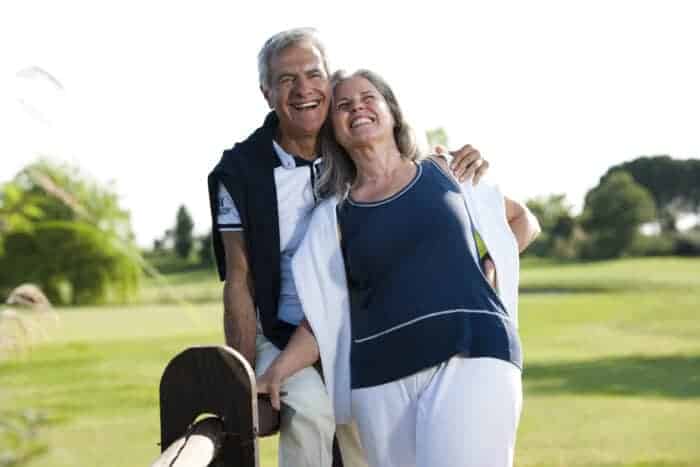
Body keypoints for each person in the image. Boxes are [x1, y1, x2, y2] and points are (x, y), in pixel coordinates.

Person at [207, 29, 490, 467]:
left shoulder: (353, 139)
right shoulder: (238, 172)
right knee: (311, 413)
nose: (303, 89)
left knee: (369, 442)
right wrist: (243, 376)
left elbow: (416, 178)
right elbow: (238, 279)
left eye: (313, 74)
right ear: (266, 93)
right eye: (286, 80)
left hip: (362, 329)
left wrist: (465, 168)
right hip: (284, 335)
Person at [256, 69, 541, 467]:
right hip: (379, 380)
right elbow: (321, 318)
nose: (357, 107)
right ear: (334, 130)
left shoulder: (445, 170)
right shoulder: (332, 218)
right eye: (343, 104)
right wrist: (274, 372)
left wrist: (488, 269)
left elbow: (522, 220)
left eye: (368, 97)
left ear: (392, 111)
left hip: (472, 351)